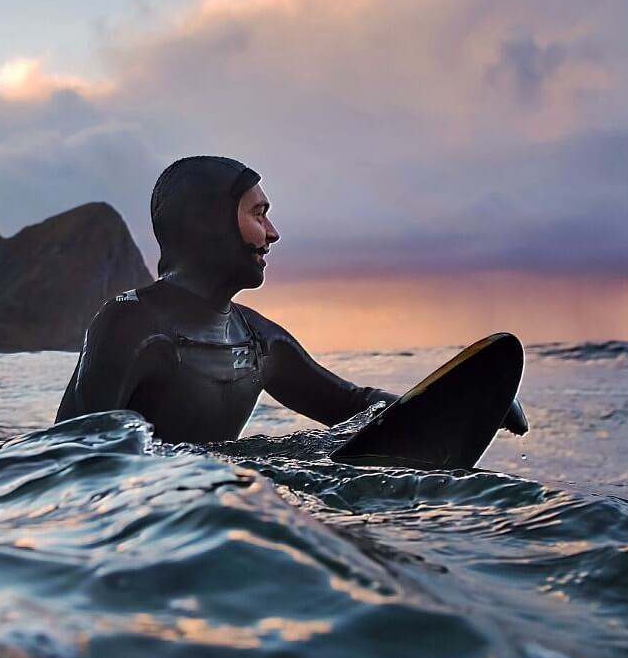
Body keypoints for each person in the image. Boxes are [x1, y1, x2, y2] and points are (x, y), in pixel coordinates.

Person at [56, 156, 528, 445]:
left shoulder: (259, 341)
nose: (273, 233)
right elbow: (79, 457)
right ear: (209, 224)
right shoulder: (130, 325)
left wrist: (463, 399)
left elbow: (352, 406)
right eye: (258, 215)